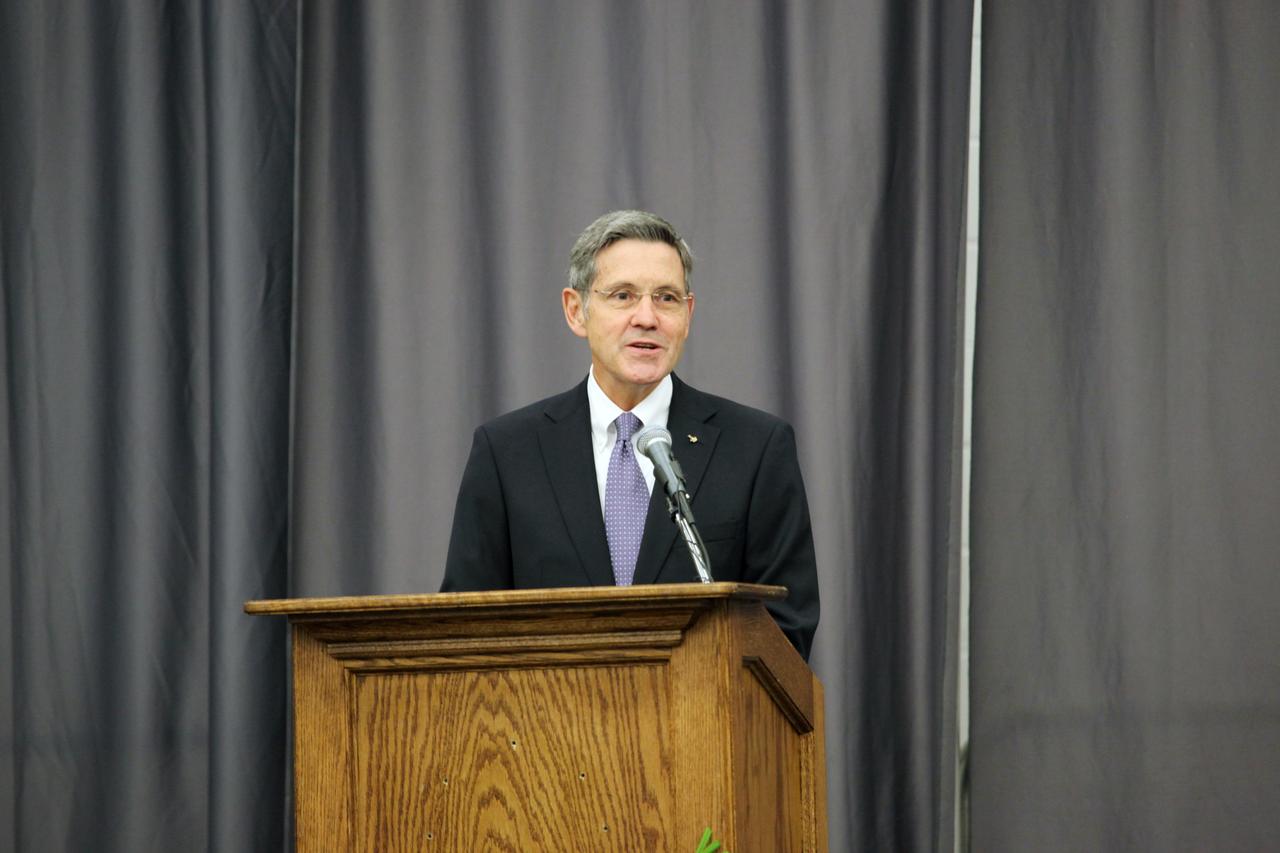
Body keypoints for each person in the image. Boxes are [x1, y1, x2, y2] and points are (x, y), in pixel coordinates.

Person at [441, 210, 819, 658]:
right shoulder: (507, 453)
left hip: (699, 724)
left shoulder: (755, 448)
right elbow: (464, 634)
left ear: (688, 314)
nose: (647, 317)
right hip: (547, 724)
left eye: (666, 298)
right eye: (623, 296)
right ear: (576, 310)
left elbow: (787, 632)